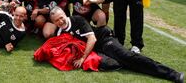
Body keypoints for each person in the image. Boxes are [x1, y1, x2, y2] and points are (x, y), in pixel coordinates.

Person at [49, 6, 184, 83]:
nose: (60, 21)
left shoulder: (77, 19)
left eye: (61, 17)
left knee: (128, 57)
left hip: (103, 40)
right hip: (96, 51)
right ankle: (128, 62)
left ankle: (172, 74)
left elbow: (92, 39)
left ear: (65, 14)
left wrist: (83, 58)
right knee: (111, 64)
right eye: (56, 20)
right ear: (53, 22)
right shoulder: (59, 32)